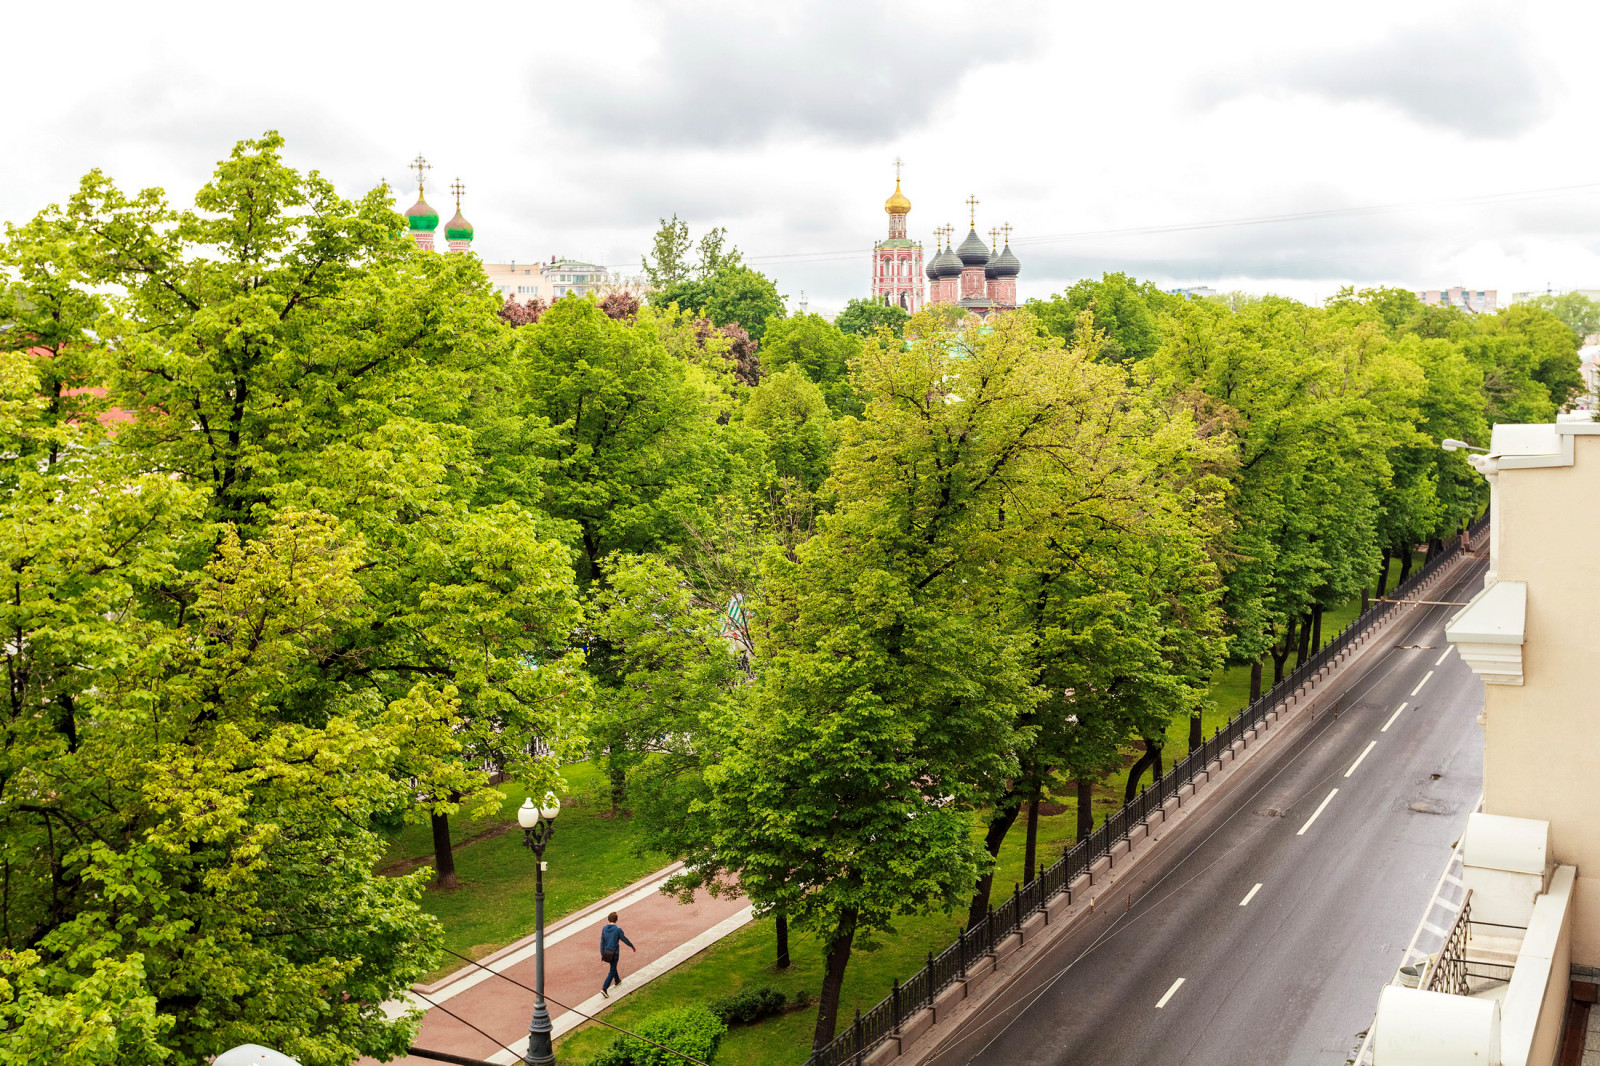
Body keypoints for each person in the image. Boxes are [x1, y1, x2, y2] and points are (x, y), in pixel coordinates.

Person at [599, 911, 635, 998]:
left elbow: (602, 942)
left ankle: (617, 980)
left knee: (613, 966)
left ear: (608, 919)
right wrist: (631, 946)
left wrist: (602, 953)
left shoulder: (604, 928)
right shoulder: (618, 930)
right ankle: (604, 988)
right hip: (615, 953)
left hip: (607, 952)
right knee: (612, 969)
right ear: (616, 920)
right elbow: (624, 939)